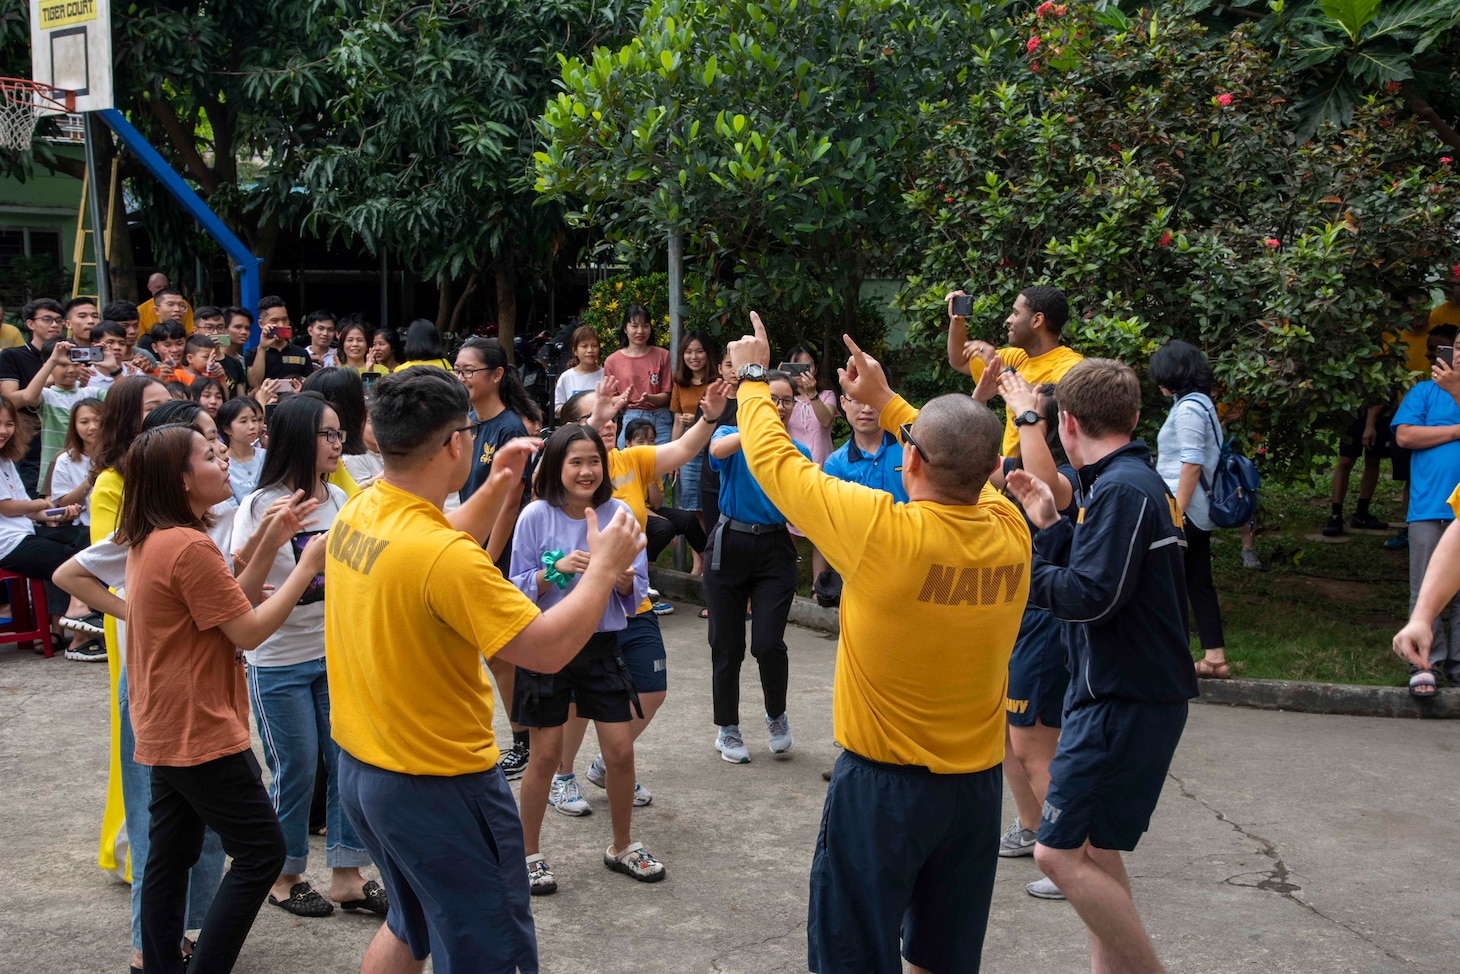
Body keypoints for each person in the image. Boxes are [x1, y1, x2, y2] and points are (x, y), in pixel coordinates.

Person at [722, 313, 1029, 973]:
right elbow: (972, 455)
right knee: (943, 959)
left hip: (882, 793)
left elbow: (777, 468)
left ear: (910, 458)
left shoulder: (882, 534)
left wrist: (752, 376)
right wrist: (891, 404)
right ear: (993, 469)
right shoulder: (1011, 530)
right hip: (975, 794)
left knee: (851, 957)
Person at [322, 366, 644, 974]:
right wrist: (603, 568)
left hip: (366, 770)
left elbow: (432, 538)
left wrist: (498, 485)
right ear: (454, 443)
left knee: (410, 921)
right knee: (489, 953)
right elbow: (545, 649)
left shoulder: (363, 510)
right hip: (440, 786)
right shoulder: (444, 558)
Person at [1003, 357, 1198, 974]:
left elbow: (1091, 597)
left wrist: (1021, 562)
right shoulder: (1120, 481)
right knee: (1093, 851)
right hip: (1119, 694)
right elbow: (1108, 579)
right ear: (1135, 417)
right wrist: (1053, 526)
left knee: (1057, 857)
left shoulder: (1122, 489)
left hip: (1123, 700)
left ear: (1066, 425)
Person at [117, 422, 327, 974]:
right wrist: (305, 567)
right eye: (209, 457)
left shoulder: (158, 538)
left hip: (165, 720)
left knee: (171, 855)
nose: (224, 463)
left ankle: (160, 965)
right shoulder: (185, 545)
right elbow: (250, 631)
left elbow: (228, 594)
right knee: (263, 852)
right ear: (182, 480)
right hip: (199, 725)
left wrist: (272, 541)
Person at [229, 393, 385, 919]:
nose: (338, 444)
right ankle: (284, 873)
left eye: (340, 434)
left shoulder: (341, 502)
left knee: (346, 761)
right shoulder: (259, 506)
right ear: (299, 437)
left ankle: (347, 874)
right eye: (327, 434)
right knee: (295, 767)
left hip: (334, 654)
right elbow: (238, 590)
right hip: (277, 661)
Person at [554, 378, 727, 808]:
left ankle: (612, 760)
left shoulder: (630, 460)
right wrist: (594, 422)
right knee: (577, 700)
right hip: (582, 603)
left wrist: (709, 416)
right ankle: (562, 776)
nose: (610, 421)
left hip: (633, 598)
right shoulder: (561, 471)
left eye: (613, 412)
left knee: (652, 688)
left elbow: (684, 451)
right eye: (598, 414)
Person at [509, 424, 661, 893]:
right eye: (575, 461)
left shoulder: (619, 513)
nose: (587, 470)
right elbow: (514, 586)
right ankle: (527, 854)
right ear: (555, 466)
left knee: (619, 749)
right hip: (548, 645)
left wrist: (615, 579)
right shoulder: (535, 515)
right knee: (546, 755)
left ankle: (621, 846)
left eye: (593, 461)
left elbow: (637, 588)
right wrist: (555, 570)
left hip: (601, 648)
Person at [983, 372, 1079, 899]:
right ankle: (1031, 824)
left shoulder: (1069, 475)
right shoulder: (1026, 465)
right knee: (1005, 734)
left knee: (1034, 746)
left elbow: (1051, 496)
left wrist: (1026, 417)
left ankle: (1069, 858)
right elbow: (977, 461)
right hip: (1018, 615)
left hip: (1045, 622)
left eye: (1033, 417)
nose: (1021, 425)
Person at [89, 375, 172, 881]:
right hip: (132, 616)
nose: (166, 412)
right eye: (153, 406)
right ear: (127, 419)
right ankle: (129, 852)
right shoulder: (111, 482)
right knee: (136, 733)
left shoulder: (174, 469)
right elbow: (105, 565)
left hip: (171, 611)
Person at [703, 369, 809, 764]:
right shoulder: (729, 436)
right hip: (729, 543)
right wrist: (756, 426)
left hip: (774, 548)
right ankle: (727, 728)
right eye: (771, 399)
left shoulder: (797, 451)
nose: (778, 407)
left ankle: (776, 715)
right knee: (726, 644)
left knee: (767, 643)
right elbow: (716, 453)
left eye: (785, 401)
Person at [452, 337, 542, 779]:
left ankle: (524, 743)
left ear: (496, 375)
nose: (461, 378)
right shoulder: (469, 423)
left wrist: (487, 557)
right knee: (491, 654)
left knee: (502, 652)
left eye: (469, 370)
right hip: (474, 548)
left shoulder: (509, 428)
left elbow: (509, 503)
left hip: (500, 553)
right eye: (458, 370)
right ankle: (520, 738)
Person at [1148, 340, 1231, 680]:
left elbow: (1191, 465)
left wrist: (1174, 515)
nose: (1158, 384)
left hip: (1187, 511)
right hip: (1194, 511)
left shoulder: (1188, 409)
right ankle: (1214, 658)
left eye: (1161, 376)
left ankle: (1171, 659)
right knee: (1197, 582)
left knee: (1165, 584)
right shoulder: (1199, 404)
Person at [1392, 324, 1460, 690]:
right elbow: (1405, 435)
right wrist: (1455, 431)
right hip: (1429, 507)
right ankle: (1426, 664)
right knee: (1426, 589)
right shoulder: (1423, 392)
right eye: (1457, 347)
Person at [0, 395, 91, 656]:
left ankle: (77, 613)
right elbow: (7, 507)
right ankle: (79, 625)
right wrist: (44, 506)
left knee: (85, 537)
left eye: (9, 424)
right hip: (8, 544)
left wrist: (55, 514)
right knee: (74, 559)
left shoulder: (6, 461)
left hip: (24, 533)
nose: (4, 431)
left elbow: (28, 509)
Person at [946, 286, 1084, 456]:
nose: (1008, 320)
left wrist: (1003, 371)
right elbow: (959, 361)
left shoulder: (1070, 365)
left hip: (1045, 474)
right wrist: (957, 321)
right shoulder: (1019, 357)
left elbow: (1055, 403)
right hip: (1011, 472)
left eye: (1016, 313)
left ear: (1036, 320)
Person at [0, 298, 66, 495]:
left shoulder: (71, 353)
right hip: (30, 441)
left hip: (66, 437)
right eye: (47, 319)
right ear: (30, 324)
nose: (54, 325)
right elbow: (9, 400)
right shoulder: (13, 356)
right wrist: (48, 379)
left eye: (58, 320)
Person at [9, 338, 93, 491]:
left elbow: (122, 402)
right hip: (52, 471)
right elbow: (28, 397)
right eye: (62, 364)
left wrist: (113, 368)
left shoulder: (91, 393)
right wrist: (53, 360)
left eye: (75, 363)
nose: (71, 369)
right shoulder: (48, 395)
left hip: (86, 469)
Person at [627, 418, 708, 576]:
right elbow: (627, 505)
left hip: (649, 510)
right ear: (628, 443)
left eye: (651, 441)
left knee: (687, 520)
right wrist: (660, 518)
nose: (647, 446)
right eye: (640, 441)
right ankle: (641, 572)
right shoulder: (623, 465)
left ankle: (709, 566)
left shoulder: (652, 463)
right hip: (628, 514)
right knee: (664, 528)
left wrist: (649, 476)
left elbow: (656, 504)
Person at [602, 305, 672, 445]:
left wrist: (649, 398)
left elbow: (668, 396)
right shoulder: (612, 361)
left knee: (662, 464)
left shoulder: (663, 355)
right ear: (625, 328)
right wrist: (623, 398)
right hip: (632, 418)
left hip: (661, 418)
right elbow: (608, 400)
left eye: (645, 325)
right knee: (629, 464)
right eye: (634, 326)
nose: (640, 331)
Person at [670, 331, 717, 524]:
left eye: (699, 351)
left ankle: (714, 550)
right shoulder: (680, 382)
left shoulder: (717, 382)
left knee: (713, 504)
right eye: (688, 352)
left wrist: (699, 421)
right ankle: (702, 552)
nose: (694, 357)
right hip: (688, 447)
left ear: (708, 353)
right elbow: (677, 421)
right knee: (692, 508)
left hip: (713, 445)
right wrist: (673, 457)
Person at [48, 396, 103, 527]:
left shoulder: (121, 453)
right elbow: (64, 502)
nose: (93, 427)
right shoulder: (65, 460)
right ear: (75, 427)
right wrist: (90, 480)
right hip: (84, 528)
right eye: (84, 422)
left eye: (98, 421)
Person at [246, 296, 315, 393]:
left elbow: (310, 387)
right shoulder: (252, 353)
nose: (281, 325)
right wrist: (262, 347)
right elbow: (254, 384)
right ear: (261, 324)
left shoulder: (302, 353)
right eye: (274, 321)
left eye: (285, 320)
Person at [217, 396, 267, 504]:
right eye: (243, 421)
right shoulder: (222, 464)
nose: (252, 426)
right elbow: (230, 506)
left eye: (254, 420)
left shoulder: (267, 456)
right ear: (227, 429)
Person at [553, 324, 604, 419]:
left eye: (594, 346)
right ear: (575, 351)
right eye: (584, 346)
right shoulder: (566, 377)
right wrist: (577, 410)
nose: (590, 350)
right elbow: (557, 407)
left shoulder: (606, 375)